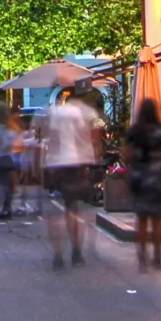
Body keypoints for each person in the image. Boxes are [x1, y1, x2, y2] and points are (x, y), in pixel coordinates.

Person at [43, 85, 102, 268]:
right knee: (75, 209)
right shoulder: (85, 113)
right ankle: (76, 252)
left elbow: (51, 139)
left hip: (59, 164)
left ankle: (58, 254)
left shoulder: (55, 114)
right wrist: (93, 159)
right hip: (78, 164)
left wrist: (48, 163)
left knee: (56, 213)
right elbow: (92, 140)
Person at [124, 98, 161, 269]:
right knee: (157, 219)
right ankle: (158, 257)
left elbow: (126, 157)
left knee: (142, 219)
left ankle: (142, 257)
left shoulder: (133, 132)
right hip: (157, 177)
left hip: (139, 178)